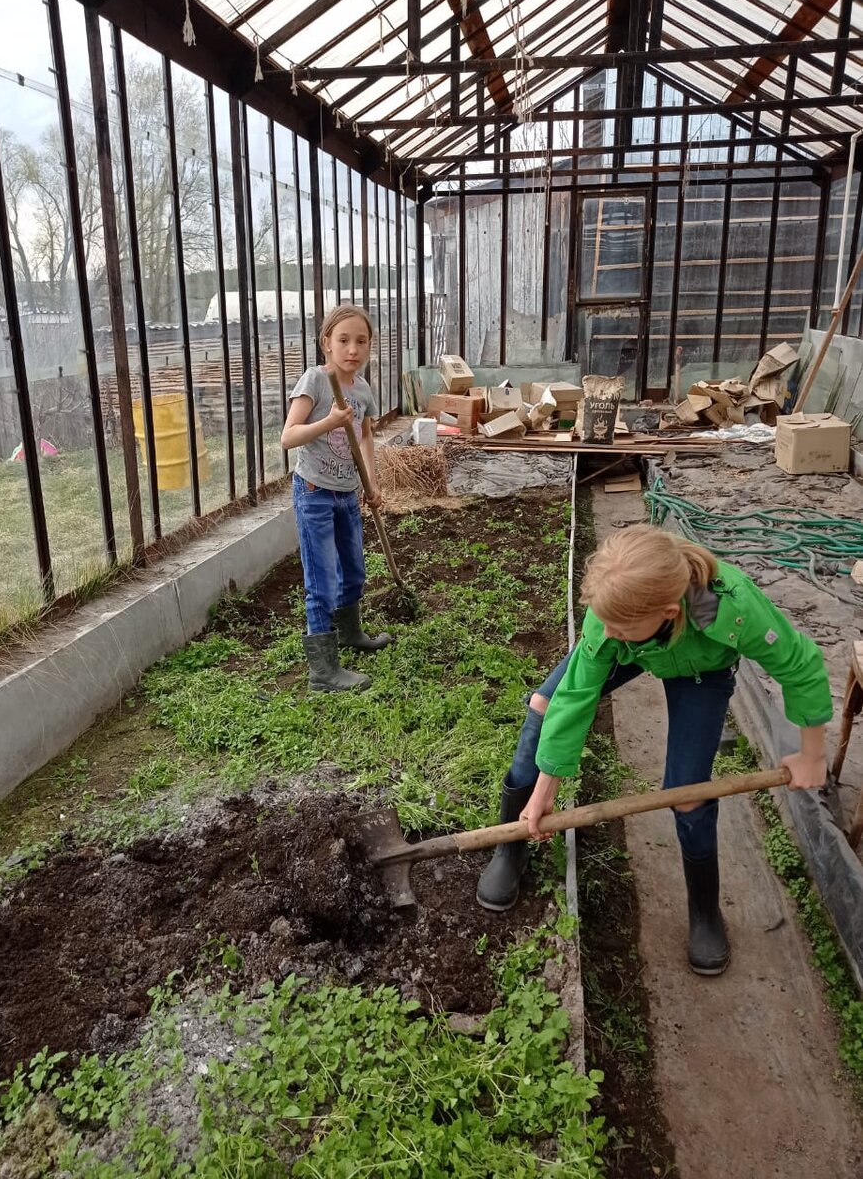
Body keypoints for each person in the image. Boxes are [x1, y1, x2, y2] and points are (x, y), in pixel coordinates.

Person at [476, 524, 831, 976]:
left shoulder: (730, 607)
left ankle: (704, 910)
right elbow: (576, 699)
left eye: (618, 624)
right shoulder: (610, 625)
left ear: (667, 611)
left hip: (702, 668)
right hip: (633, 653)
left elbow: (800, 665)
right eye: (602, 619)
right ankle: (511, 846)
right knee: (544, 705)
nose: (604, 629)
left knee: (687, 793)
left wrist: (812, 754)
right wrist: (546, 789)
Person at [281, 304, 391, 693]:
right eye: (343, 340)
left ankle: (349, 634)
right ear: (326, 343)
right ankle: (323, 673)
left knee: (355, 571)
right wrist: (329, 421)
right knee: (322, 581)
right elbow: (288, 436)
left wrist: (371, 485)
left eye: (361, 341)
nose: (353, 349)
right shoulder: (316, 380)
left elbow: (365, 437)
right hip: (314, 494)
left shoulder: (362, 389)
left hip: (347, 494)